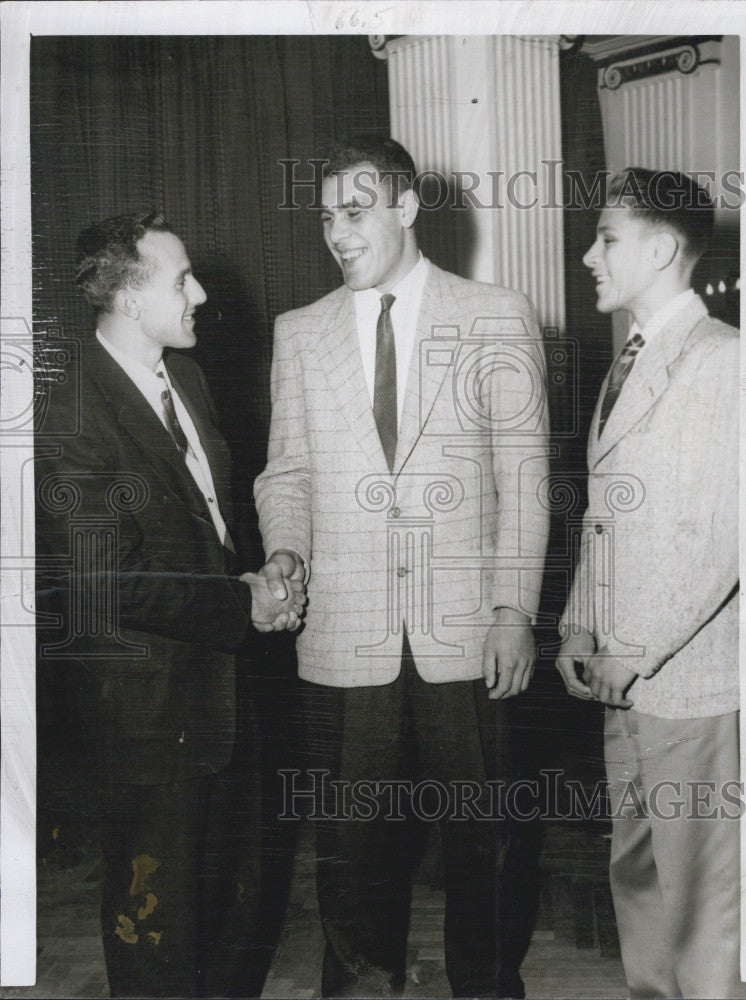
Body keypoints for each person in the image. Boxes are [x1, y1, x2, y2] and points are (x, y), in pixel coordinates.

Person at [253, 137, 550, 998]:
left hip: (469, 632)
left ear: (406, 207)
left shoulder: (495, 313)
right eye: (325, 219)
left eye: (354, 212)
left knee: (485, 843)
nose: (337, 235)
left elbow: (523, 478)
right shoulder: (299, 332)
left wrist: (512, 611)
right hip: (346, 633)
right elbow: (288, 473)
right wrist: (287, 548)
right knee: (350, 853)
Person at [35, 212, 304, 998]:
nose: (202, 292)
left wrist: (268, 575)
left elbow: (210, 530)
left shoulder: (183, 379)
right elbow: (103, 581)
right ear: (126, 296)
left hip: (225, 701)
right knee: (156, 936)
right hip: (149, 721)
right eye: (180, 279)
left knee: (234, 922)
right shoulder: (70, 414)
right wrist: (242, 604)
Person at [555, 169, 746, 999]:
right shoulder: (628, 362)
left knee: (705, 905)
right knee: (639, 881)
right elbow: (609, 517)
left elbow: (725, 539)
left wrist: (631, 650)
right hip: (625, 681)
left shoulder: (724, 360)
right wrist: (577, 624)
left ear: (663, 247)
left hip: (690, 684)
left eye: (605, 238)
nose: (586, 254)